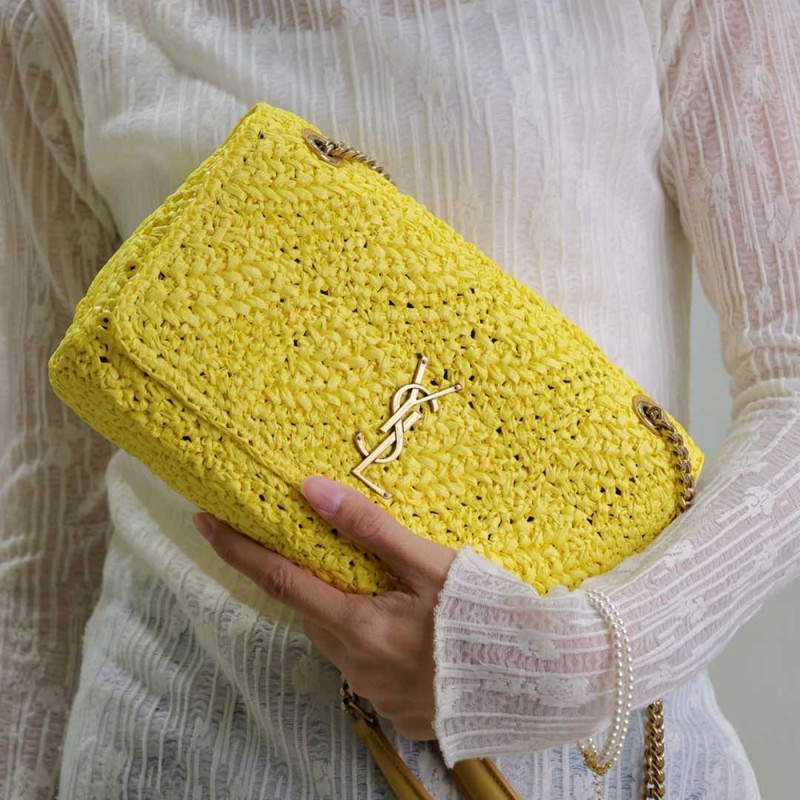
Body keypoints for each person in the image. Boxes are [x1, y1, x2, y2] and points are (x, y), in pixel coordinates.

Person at [1, 0, 798, 797]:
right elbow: (48, 495)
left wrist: (589, 658)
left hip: (594, 754)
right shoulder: (54, 15)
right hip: (175, 746)